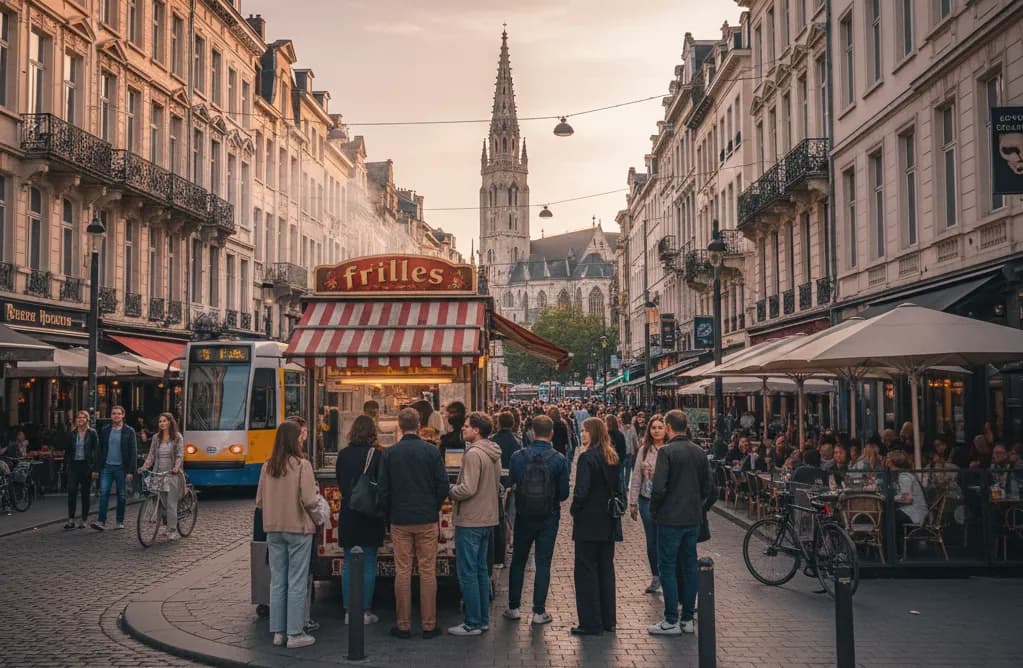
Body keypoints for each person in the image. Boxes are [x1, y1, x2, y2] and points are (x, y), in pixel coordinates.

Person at [377, 408, 449, 639]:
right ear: (419, 425)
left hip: (400, 520)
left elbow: (383, 490)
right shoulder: (431, 451)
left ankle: (403, 624)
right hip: (426, 518)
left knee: (403, 572)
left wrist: (388, 514)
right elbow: (443, 485)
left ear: (399, 425)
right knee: (428, 571)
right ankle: (429, 624)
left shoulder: (390, 454)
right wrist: (433, 506)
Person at [255, 420, 319, 649]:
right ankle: (295, 632)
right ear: (295, 440)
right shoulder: (302, 465)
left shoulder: (267, 466)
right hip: (298, 528)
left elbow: (260, 501)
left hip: (273, 528)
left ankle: (278, 632)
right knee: (297, 581)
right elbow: (310, 500)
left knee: (278, 581)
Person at [649, 410, 713, 636]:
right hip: (692, 519)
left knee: (667, 567)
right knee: (688, 566)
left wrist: (655, 510)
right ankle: (687, 618)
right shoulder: (699, 452)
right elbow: (710, 489)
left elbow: (658, 488)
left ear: (668, 427)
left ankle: (670, 619)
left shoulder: (666, 452)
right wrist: (699, 506)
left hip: (669, 519)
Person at [503, 415, 570, 625]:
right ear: (551, 433)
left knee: (518, 561)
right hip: (549, 516)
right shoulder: (559, 459)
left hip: (524, 516)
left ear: (531, 431)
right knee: (543, 562)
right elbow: (564, 493)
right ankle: (539, 611)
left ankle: (513, 607)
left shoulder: (517, 456)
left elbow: (511, 481)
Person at [447, 412, 502, 636]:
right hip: (488, 517)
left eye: (467, 426)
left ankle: (471, 622)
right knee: (480, 570)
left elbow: (468, 488)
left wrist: (450, 491)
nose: (464, 429)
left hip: (471, 519)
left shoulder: (472, 454)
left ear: (477, 430)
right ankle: (482, 619)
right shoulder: (493, 453)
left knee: (467, 572)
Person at [569, 417, 621, 636]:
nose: (582, 434)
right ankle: (608, 619)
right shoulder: (612, 457)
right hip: (608, 521)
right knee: (606, 570)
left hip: (589, 522)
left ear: (594, 433)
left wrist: (574, 509)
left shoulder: (587, 458)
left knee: (586, 571)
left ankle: (591, 622)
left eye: (585, 431)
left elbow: (581, 491)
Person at [334, 415, 385, 626]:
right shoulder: (378, 455)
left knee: (349, 564)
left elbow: (339, 482)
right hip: (370, 515)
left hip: (349, 512)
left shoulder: (343, 455)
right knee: (369, 563)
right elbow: (383, 485)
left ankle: (349, 610)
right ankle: (365, 610)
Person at [628, 414, 666, 593]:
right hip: (646, 500)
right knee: (651, 540)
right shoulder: (644, 450)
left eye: (660, 427)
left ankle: (668, 576)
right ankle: (656, 576)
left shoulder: (669, 449)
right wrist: (633, 502)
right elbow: (636, 476)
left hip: (666, 502)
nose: (657, 430)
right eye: (654, 427)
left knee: (665, 539)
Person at [91, 405, 138, 531]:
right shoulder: (105, 430)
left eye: (118, 413)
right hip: (107, 466)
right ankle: (101, 521)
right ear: (111, 415)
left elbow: (133, 451)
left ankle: (119, 520)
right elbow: (100, 450)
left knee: (121, 495)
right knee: (104, 493)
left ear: (123, 415)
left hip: (122, 468)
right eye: (113, 413)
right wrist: (96, 468)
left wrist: (130, 471)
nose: (116, 415)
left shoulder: (129, 431)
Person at [138, 413, 185, 538]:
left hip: (172, 474)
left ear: (170, 422)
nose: (162, 423)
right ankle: (166, 526)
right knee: (161, 502)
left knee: (171, 503)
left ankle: (172, 530)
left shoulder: (177, 437)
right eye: (160, 421)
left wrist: (176, 467)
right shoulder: (156, 438)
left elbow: (180, 454)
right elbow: (151, 455)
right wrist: (144, 467)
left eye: (164, 421)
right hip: (158, 473)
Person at [887, 450, 927, 556]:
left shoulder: (904, 476)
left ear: (894, 463)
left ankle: (895, 552)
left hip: (915, 513)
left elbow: (908, 498)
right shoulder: (903, 475)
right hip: (912, 511)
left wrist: (890, 498)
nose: (888, 465)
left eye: (889, 462)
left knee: (889, 517)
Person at [64, 411, 98, 529]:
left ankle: (84, 519)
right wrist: (66, 466)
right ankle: (71, 519)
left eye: (83, 417)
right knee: (71, 491)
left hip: (86, 466)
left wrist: (95, 468)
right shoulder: (71, 434)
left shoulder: (92, 433)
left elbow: (96, 451)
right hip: (74, 466)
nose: (80, 419)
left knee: (85, 493)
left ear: (87, 420)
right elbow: (67, 451)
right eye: (78, 417)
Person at [605, 414, 628, 481]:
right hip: (618, 462)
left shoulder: (605, 435)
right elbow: (623, 450)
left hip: (608, 463)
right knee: (620, 480)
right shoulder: (620, 434)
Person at [620, 412, 637, 487]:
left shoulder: (620, 428)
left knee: (621, 472)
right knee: (628, 471)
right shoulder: (633, 428)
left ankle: (622, 487)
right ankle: (626, 486)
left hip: (622, 453)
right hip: (630, 452)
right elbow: (635, 441)